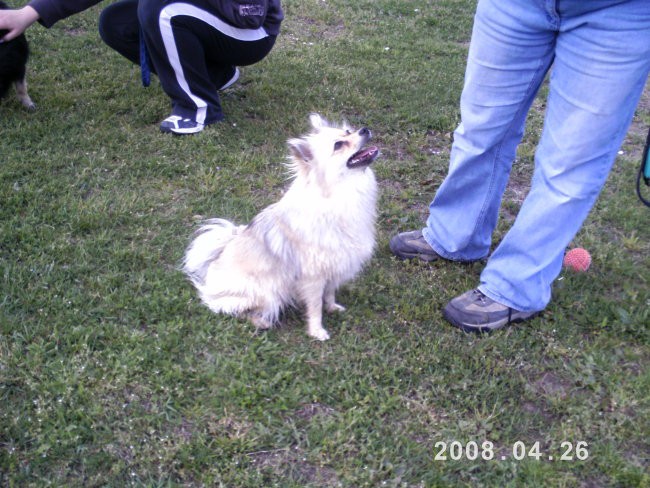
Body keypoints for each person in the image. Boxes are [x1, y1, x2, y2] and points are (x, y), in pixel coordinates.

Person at [390, 0, 650, 333]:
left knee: (569, 163)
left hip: (618, 12)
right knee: (480, 129)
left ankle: (515, 284)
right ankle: (455, 235)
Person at [0, 0, 283, 134]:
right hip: (208, 19)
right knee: (116, 22)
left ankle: (198, 109)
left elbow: (251, 14)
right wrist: (28, 13)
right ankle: (215, 75)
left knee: (160, 8)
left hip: (250, 33)